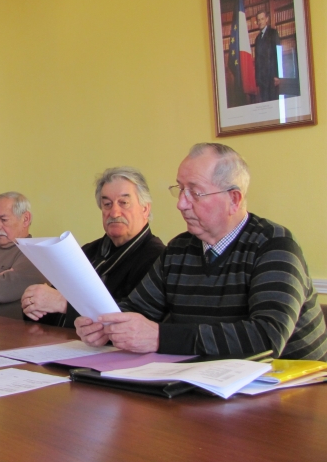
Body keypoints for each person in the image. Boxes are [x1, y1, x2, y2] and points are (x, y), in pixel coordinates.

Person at [76, 143, 327, 361]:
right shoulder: (178, 250)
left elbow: (267, 336)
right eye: (180, 189)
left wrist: (160, 337)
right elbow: (135, 309)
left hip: (295, 396)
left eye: (195, 193)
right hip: (211, 387)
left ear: (234, 199)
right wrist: (103, 326)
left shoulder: (274, 245)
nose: (181, 204)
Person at [22, 167, 165, 327]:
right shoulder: (88, 251)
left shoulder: (157, 257)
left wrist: (65, 305)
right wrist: (35, 304)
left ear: (145, 208)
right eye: (107, 204)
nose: (114, 212)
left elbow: (135, 320)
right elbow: (51, 302)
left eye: (124, 203)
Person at [254, 11, 281, 103]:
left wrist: (278, 75)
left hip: (272, 77)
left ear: (266, 19)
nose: (260, 22)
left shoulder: (273, 33)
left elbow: (278, 54)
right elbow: (257, 60)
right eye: (258, 20)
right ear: (257, 22)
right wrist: (257, 79)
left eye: (262, 19)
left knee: (274, 103)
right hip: (262, 80)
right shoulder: (257, 39)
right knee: (265, 105)